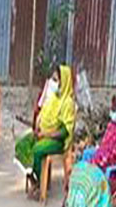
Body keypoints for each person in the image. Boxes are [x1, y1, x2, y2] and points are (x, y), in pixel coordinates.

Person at [14, 65, 75, 197]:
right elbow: (42, 114)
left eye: (57, 80)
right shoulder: (53, 98)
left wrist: (45, 134)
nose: (54, 83)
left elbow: (64, 132)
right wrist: (37, 128)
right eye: (53, 80)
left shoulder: (68, 103)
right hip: (43, 133)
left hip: (57, 140)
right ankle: (34, 180)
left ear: (63, 82)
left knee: (37, 150)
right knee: (21, 145)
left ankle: (41, 184)